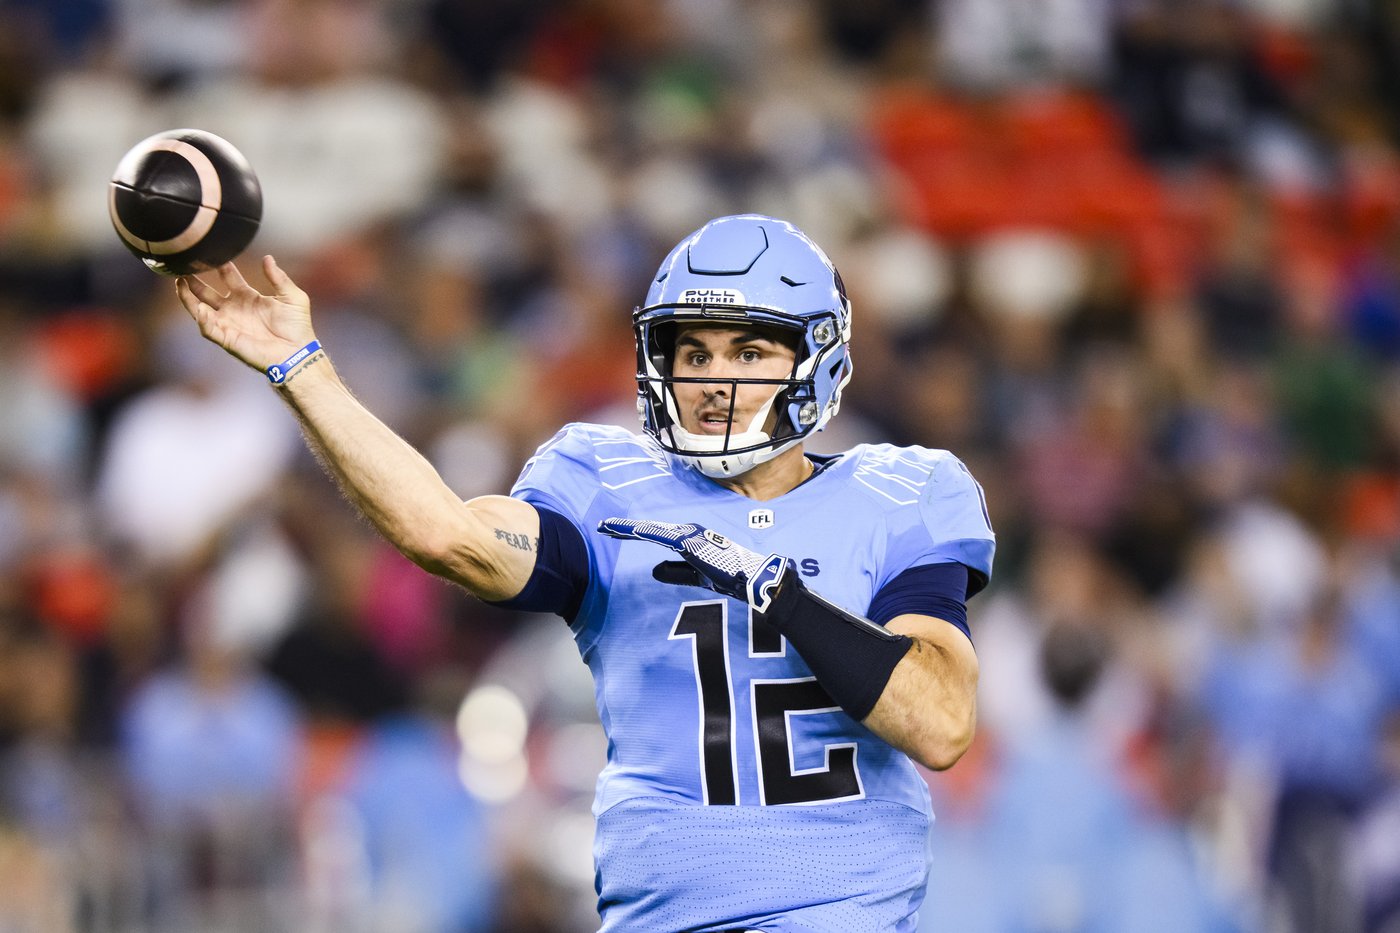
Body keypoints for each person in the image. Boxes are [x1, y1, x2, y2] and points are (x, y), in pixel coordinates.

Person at [175, 214, 995, 931]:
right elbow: (447, 535)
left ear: (817, 359)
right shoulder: (606, 481)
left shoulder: (901, 492)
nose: (714, 381)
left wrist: (778, 594)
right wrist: (302, 368)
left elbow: (939, 722)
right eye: (694, 352)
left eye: (748, 349)